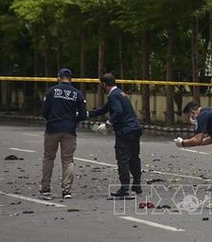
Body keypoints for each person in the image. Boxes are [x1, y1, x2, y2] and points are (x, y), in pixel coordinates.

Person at [89, 72, 142, 198]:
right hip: (135, 129)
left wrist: (108, 124)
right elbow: (105, 109)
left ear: (104, 84)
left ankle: (124, 189)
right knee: (134, 157)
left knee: (123, 159)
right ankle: (137, 185)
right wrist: (87, 114)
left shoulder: (113, 95)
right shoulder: (120, 93)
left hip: (125, 131)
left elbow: (118, 111)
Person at [40, 68, 88, 200]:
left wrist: (51, 118)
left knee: (48, 158)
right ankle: (67, 191)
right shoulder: (77, 94)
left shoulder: (51, 91)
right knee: (68, 160)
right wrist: (73, 119)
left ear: (58, 77)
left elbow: (44, 111)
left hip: (52, 128)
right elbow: (83, 115)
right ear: (70, 78)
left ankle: (45, 189)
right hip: (69, 130)